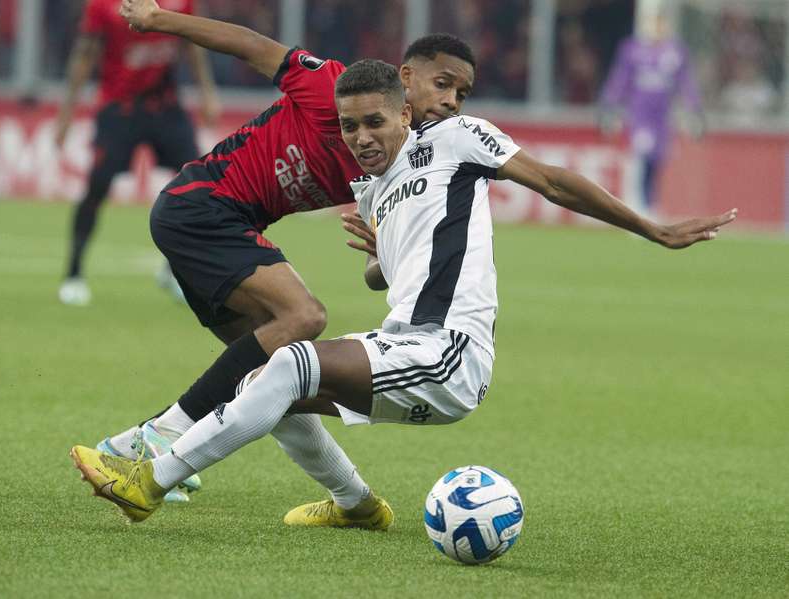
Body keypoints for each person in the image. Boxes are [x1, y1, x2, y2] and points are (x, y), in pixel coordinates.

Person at [70, 58, 737, 525]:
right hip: (402, 341)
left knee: (289, 359)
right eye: (350, 128)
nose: (361, 139)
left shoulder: (455, 138)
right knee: (268, 388)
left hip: (449, 351)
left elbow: (555, 181)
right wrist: (380, 259)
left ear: (405, 109)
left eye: (375, 124)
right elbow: (393, 272)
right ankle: (358, 505)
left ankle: (150, 478)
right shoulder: (377, 184)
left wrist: (651, 228)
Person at [93, 0, 477, 522]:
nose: (451, 102)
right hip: (202, 203)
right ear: (407, 79)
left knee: (275, 373)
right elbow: (252, 45)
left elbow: (378, 271)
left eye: (461, 94)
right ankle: (155, 437)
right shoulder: (332, 86)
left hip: (228, 222)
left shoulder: (394, 161)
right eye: (442, 85)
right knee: (305, 318)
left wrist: (386, 253)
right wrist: (161, 20)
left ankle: (354, 502)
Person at [54, 0, 220, 306]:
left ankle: (173, 272)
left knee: (200, 188)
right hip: (120, 108)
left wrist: (207, 93)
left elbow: (193, 46)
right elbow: (84, 54)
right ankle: (73, 274)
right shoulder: (103, 5)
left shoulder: (181, 2)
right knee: (97, 187)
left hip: (165, 106)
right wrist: (66, 115)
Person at [598, 0, 704, 215]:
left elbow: (686, 84)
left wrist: (694, 110)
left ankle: (648, 205)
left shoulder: (676, 52)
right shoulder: (632, 50)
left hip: (663, 118)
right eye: (654, 23)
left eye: (661, 23)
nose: (657, 28)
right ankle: (641, 207)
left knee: (657, 161)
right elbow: (619, 80)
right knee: (642, 158)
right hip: (640, 115)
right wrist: (609, 107)